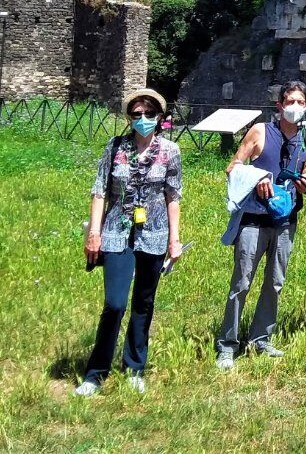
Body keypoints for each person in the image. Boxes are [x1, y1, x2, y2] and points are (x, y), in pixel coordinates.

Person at [76, 88, 183, 396]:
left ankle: (134, 366)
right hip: (116, 232)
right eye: (137, 114)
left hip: (154, 234)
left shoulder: (170, 151)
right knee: (115, 304)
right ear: (129, 117)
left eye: (149, 114)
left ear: (160, 117)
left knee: (143, 303)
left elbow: (173, 196)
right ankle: (96, 373)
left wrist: (175, 239)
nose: (143, 119)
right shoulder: (115, 147)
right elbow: (100, 191)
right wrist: (94, 233)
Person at [215, 81, 306, 369]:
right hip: (254, 219)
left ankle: (261, 338)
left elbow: (302, 172)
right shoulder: (260, 131)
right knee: (242, 281)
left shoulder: (305, 137)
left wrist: (305, 186)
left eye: (300, 102)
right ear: (279, 105)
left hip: (285, 220)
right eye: (290, 101)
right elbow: (233, 167)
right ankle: (227, 344)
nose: (295, 107)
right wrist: (257, 179)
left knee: (275, 281)